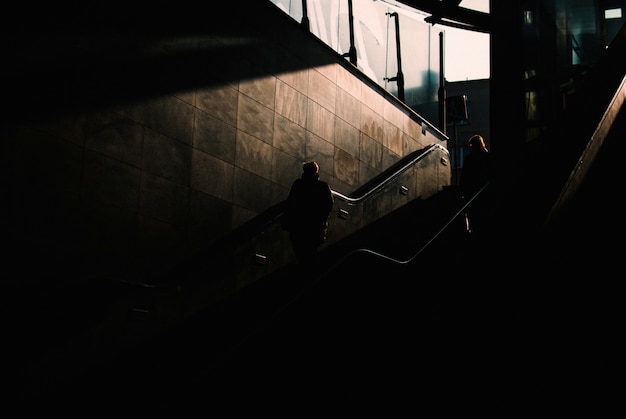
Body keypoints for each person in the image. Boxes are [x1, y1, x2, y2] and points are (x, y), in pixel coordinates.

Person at [282, 161, 334, 268]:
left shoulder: (298, 184)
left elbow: (290, 202)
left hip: (298, 226)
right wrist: (320, 220)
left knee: (300, 252)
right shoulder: (322, 186)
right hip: (314, 228)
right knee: (310, 253)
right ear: (316, 171)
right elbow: (328, 205)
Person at [459, 134, 494, 237]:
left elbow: (464, 177)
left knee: (474, 216)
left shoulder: (469, 159)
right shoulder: (488, 157)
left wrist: (462, 191)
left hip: (471, 192)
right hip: (484, 192)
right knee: (484, 217)